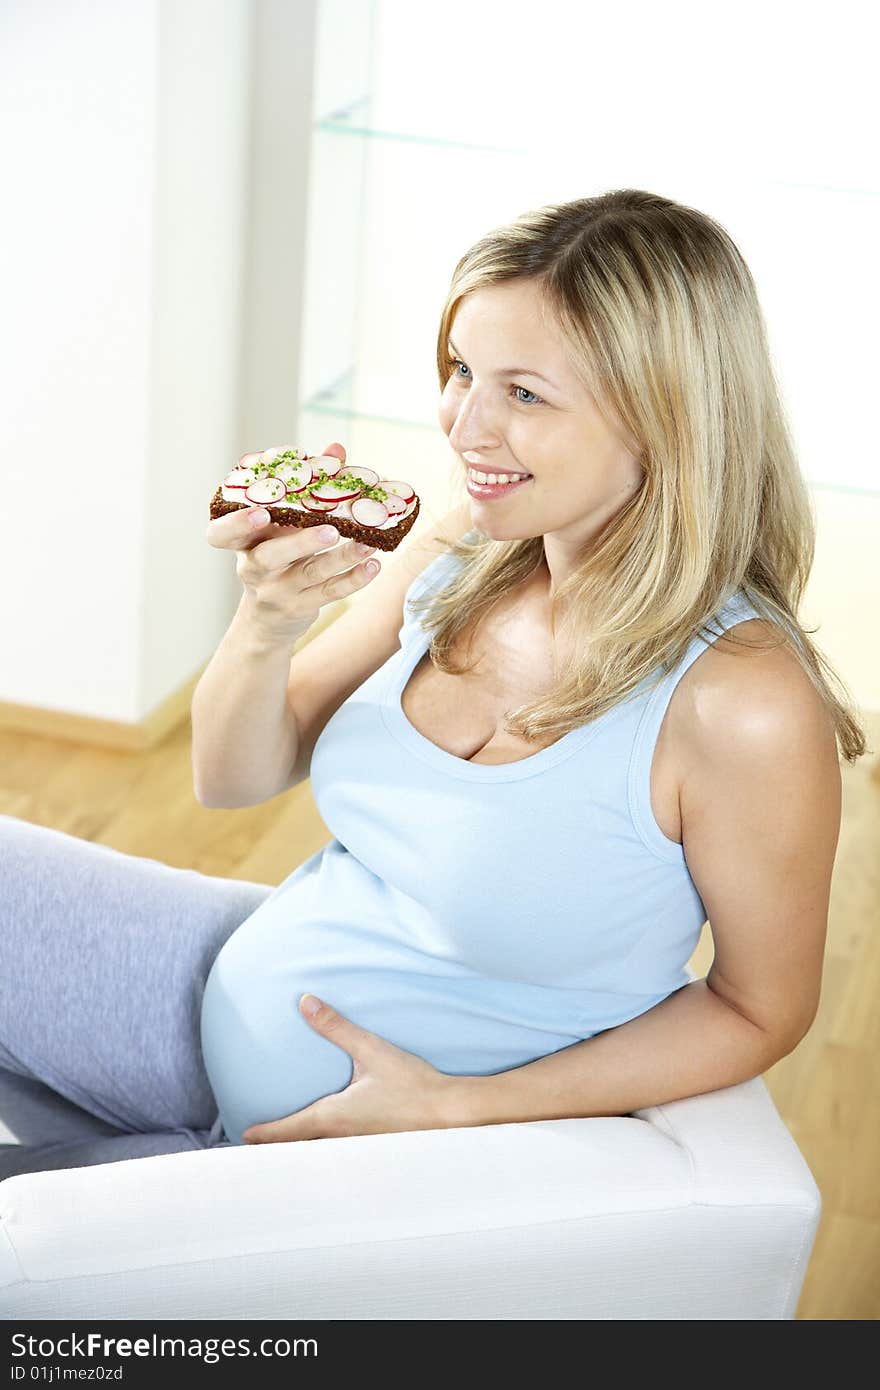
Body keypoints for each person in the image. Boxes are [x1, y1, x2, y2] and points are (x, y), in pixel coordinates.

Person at [0, 188, 864, 1181]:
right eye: (461, 370)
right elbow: (234, 777)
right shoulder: (468, 549)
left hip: (365, 1152)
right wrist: (267, 622)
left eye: (524, 394)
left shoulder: (738, 701)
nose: (463, 424)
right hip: (219, 1021)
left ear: (664, 415)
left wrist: (460, 1106)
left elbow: (760, 1008)